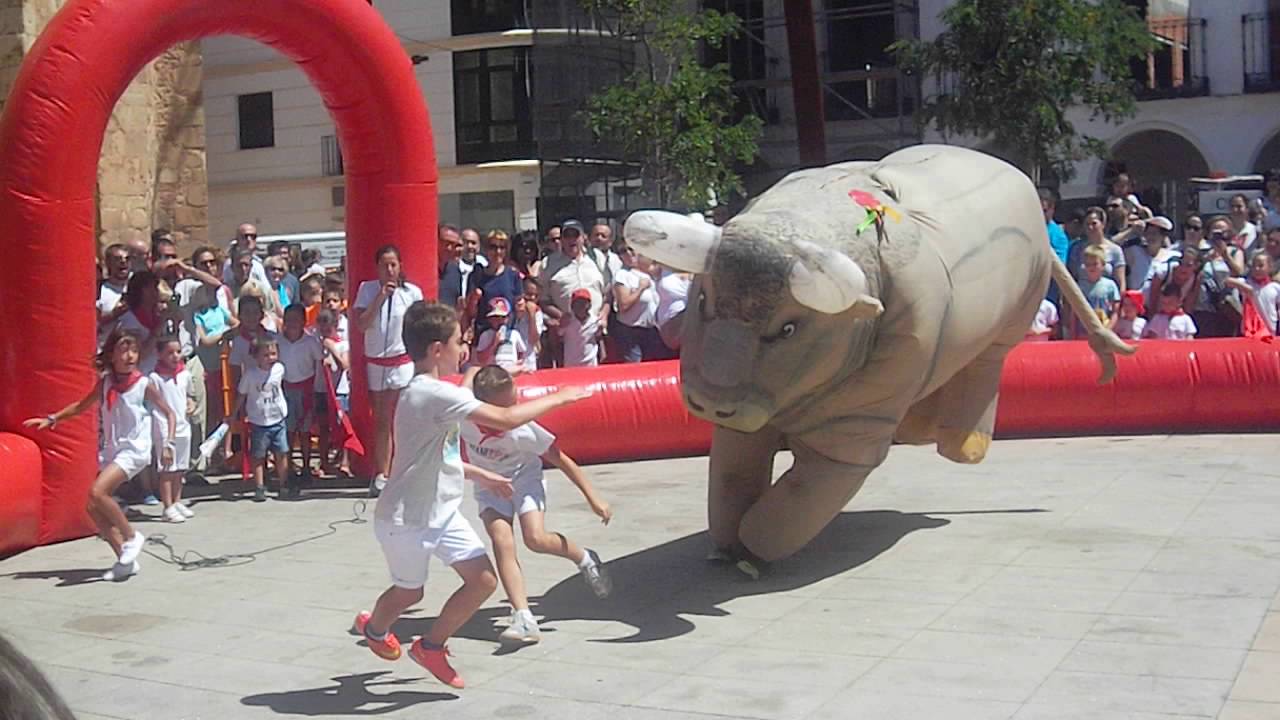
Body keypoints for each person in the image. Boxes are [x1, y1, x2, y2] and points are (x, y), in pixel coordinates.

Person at [351, 301, 591, 689]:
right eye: (457, 342)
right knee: (410, 593)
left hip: (441, 512)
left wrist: (482, 474)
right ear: (436, 350)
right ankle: (375, 629)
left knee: (483, 580)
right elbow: (507, 417)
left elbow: (442, 453)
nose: (462, 348)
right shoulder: (429, 395)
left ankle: (431, 647)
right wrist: (562, 396)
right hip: (405, 519)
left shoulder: (435, 393)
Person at [461, 365, 612, 645]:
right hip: (490, 486)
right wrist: (502, 370)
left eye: (515, 403)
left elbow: (562, 460)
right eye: (507, 407)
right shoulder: (464, 412)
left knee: (535, 539)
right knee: (501, 541)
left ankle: (584, 557)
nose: (515, 411)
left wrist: (594, 498)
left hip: (525, 481)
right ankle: (523, 617)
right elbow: (471, 371)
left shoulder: (524, 431)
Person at [23, 328, 177, 580]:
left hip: (135, 449)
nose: (130, 356)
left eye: (134, 350)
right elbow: (80, 406)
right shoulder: (106, 383)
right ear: (112, 355)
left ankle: (131, 536)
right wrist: (52, 419)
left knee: (98, 492)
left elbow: (169, 413)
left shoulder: (143, 384)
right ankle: (124, 560)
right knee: (92, 507)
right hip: (113, 450)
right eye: (124, 350)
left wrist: (168, 444)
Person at [354, 245, 425, 497]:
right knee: (382, 420)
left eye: (393, 264)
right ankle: (382, 474)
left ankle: (407, 471)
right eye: (384, 265)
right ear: (377, 268)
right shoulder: (367, 290)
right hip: (377, 363)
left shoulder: (412, 292)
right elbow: (362, 324)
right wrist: (380, 297)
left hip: (403, 361)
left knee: (405, 418)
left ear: (400, 266)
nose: (390, 270)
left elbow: (420, 327)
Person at [231, 337, 292, 501]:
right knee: (258, 455)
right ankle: (259, 486)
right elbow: (241, 395)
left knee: (281, 453)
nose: (270, 358)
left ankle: (284, 484)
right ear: (255, 356)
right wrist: (234, 414)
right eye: (265, 355)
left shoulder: (280, 369)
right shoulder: (250, 375)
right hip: (258, 421)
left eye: (273, 354)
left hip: (278, 419)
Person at [149, 336, 196, 523]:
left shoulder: (185, 374)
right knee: (167, 469)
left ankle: (177, 502)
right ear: (159, 354)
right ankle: (167, 506)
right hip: (164, 427)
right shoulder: (155, 378)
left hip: (183, 426)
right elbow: (154, 403)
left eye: (178, 352)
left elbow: (189, 395)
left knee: (180, 468)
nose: (175, 356)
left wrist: (191, 404)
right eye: (169, 353)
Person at [277, 304, 324, 480]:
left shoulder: (311, 342)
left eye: (296, 319)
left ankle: (306, 466)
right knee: (288, 431)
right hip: (285, 390)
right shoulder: (277, 341)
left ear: (304, 322)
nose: (292, 323)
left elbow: (319, 365)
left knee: (305, 431)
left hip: (306, 391)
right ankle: (288, 467)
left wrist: (317, 390)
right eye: (289, 319)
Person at [463, 230, 522, 340]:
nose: (498, 251)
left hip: (507, 335)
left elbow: (519, 310)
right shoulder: (476, 275)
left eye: (502, 247)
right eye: (493, 247)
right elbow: (470, 312)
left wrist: (521, 306)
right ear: (486, 249)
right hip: (483, 336)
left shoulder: (513, 275)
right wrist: (474, 299)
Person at [316, 308, 350, 476]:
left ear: (335, 326)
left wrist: (332, 349)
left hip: (339, 392)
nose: (324, 333)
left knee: (342, 427)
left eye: (328, 329)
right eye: (321, 329)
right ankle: (323, 462)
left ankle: (344, 462)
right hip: (321, 390)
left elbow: (345, 365)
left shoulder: (343, 344)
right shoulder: (315, 344)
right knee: (323, 427)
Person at [1066, 246, 1120, 339]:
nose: (1091, 267)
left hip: (1104, 330)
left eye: (1095, 264)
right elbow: (1074, 313)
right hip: (1083, 334)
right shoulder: (1079, 286)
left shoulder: (1110, 285)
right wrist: (1073, 334)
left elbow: (1115, 312)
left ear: (1103, 265)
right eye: (1088, 264)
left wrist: (1108, 330)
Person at [1225, 253, 1280, 338]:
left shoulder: (1275, 287)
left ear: (1269, 268)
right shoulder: (1247, 282)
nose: (1257, 269)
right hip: (1250, 330)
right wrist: (1245, 287)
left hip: (1269, 328)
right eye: (1254, 266)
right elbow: (1227, 281)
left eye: (1261, 266)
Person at [473, 297, 528, 371]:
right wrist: (494, 343)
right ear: (490, 319)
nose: (499, 320)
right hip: (493, 371)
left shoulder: (514, 334)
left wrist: (519, 361)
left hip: (511, 370)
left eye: (502, 317)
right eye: (495, 317)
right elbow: (480, 359)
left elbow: (522, 351)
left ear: (508, 318)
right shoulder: (486, 335)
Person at [560, 288, 601, 367]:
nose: (580, 306)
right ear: (572, 306)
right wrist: (561, 324)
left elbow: (599, 337)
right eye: (577, 303)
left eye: (584, 303)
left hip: (590, 364)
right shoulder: (567, 321)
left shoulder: (595, 321)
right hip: (571, 364)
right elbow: (559, 334)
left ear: (589, 305)